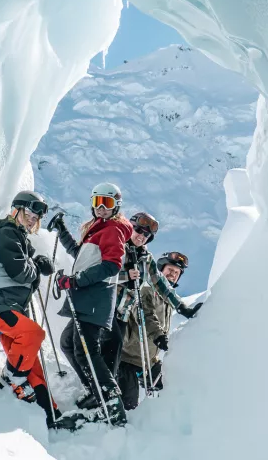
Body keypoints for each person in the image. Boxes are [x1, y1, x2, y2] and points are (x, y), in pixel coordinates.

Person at [0, 191, 68, 429]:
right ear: (17, 209)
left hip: (10, 308)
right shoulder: (6, 233)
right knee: (34, 335)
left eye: (36, 217)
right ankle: (13, 376)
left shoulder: (20, 238)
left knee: (32, 365)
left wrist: (36, 266)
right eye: (29, 213)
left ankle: (51, 415)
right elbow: (20, 272)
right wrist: (37, 266)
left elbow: (27, 274)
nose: (32, 219)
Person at [46, 182, 133, 426]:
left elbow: (112, 265)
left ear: (116, 205)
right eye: (97, 203)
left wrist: (76, 280)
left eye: (107, 203)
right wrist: (62, 231)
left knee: (85, 350)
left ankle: (111, 400)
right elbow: (81, 255)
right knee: (69, 344)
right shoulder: (98, 229)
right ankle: (97, 393)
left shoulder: (113, 229)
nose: (101, 208)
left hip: (95, 298)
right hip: (86, 298)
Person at [118, 250, 199, 410]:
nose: (173, 275)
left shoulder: (169, 299)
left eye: (177, 273)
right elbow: (145, 315)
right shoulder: (146, 289)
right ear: (160, 270)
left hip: (150, 360)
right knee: (129, 405)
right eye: (170, 270)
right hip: (128, 358)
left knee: (171, 387)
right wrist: (159, 336)